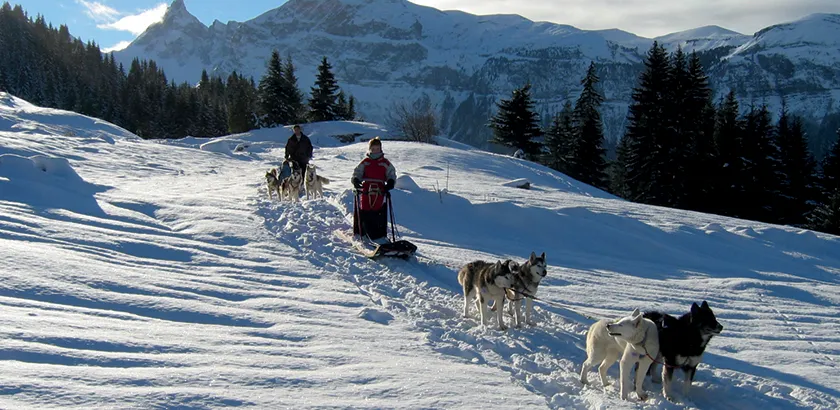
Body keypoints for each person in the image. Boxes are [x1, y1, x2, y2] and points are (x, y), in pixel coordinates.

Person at [352, 137, 396, 243]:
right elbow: (358, 171)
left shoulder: (385, 162)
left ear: (380, 149)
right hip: (366, 187)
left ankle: (376, 233)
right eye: (373, 149)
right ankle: (364, 231)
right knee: (366, 208)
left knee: (377, 209)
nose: (375, 151)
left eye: (377, 148)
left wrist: (390, 181)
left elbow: (391, 173)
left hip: (380, 188)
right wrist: (356, 179)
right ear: (370, 149)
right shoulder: (365, 161)